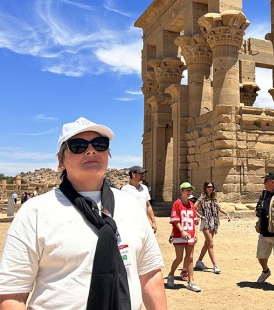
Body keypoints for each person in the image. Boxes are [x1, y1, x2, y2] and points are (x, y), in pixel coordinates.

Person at [0, 117, 167, 309]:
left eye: (100, 144)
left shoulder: (131, 207)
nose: (91, 150)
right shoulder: (35, 212)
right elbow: (13, 294)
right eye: (78, 145)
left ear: (108, 154)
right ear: (61, 161)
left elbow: (150, 275)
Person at [167, 182, 201, 292]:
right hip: (179, 234)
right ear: (182, 191)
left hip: (190, 234)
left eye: (190, 190)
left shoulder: (191, 204)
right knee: (179, 258)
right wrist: (181, 231)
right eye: (187, 189)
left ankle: (191, 282)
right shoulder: (177, 203)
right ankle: (171, 274)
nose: (189, 191)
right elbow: (175, 220)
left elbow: (194, 220)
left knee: (190, 258)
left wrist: (195, 234)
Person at [194, 181, 230, 274]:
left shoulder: (214, 198)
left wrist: (226, 214)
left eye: (212, 186)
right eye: (209, 186)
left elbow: (219, 208)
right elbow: (193, 208)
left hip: (214, 222)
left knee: (207, 243)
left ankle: (199, 262)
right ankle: (215, 265)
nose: (210, 188)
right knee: (210, 244)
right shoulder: (202, 198)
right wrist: (200, 216)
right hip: (206, 222)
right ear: (205, 188)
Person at [121, 165, 157, 233]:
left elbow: (148, 206)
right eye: (140, 173)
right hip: (130, 224)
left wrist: (153, 222)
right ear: (133, 174)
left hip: (144, 222)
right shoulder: (125, 189)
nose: (143, 175)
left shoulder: (145, 188)